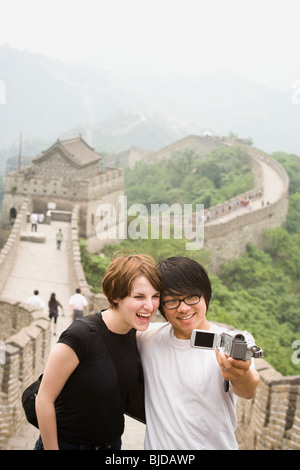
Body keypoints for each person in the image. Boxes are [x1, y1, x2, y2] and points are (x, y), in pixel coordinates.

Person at [34, 253, 162, 450]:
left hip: (112, 445)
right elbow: (44, 399)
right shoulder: (81, 335)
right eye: (139, 296)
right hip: (68, 444)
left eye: (155, 296)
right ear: (115, 296)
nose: (150, 305)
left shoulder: (134, 334)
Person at [136, 256, 260, 450]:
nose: (184, 308)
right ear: (161, 307)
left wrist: (240, 374)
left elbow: (248, 390)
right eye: (172, 301)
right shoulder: (147, 338)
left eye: (192, 297)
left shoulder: (231, 344)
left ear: (205, 296)